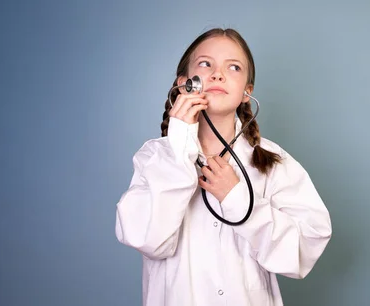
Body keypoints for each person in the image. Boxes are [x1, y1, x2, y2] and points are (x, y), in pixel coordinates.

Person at [115, 27, 332, 306]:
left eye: (234, 67)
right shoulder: (155, 157)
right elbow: (149, 240)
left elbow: (303, 251)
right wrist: (179, 153)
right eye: (206, 64)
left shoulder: (273, 161)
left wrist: (238, 200)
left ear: (246, 92)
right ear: (183, 83)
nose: (218, 74)